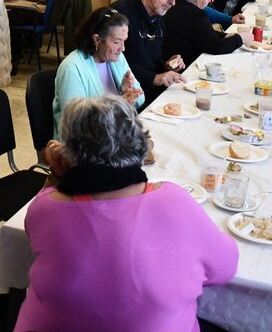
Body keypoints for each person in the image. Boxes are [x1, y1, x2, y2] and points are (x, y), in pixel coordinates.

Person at [17, 96, 239, 331]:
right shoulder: (175, 201)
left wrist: (60, 172)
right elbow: (225, 269)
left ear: (70, 152)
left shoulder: (45, 208)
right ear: (140, 144)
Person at [53, 7, 143, 137]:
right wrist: (119, 102)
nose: (122, 48)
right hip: (83, 147)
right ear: (97, 39)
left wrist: (125, 91)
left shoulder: (117, 58)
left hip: (113, 136)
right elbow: (75, 123)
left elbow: (140, 98)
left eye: (124, 41)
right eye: (117, 42)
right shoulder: (72, 67)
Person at [110, 0, 187, 105]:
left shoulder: (158, 19)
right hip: (128, 101)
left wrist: (167, 65)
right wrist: (155, 78)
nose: (173, 3)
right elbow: (112, 64)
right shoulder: (120, 16)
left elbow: (151, 62)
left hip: (154, 95)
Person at [163, 0, 250, 65]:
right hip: (184, 68)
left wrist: (229, 36)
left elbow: (205, 35)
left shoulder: (177, 3)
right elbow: (216, 47)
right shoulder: (194, 15)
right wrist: (240, 39)